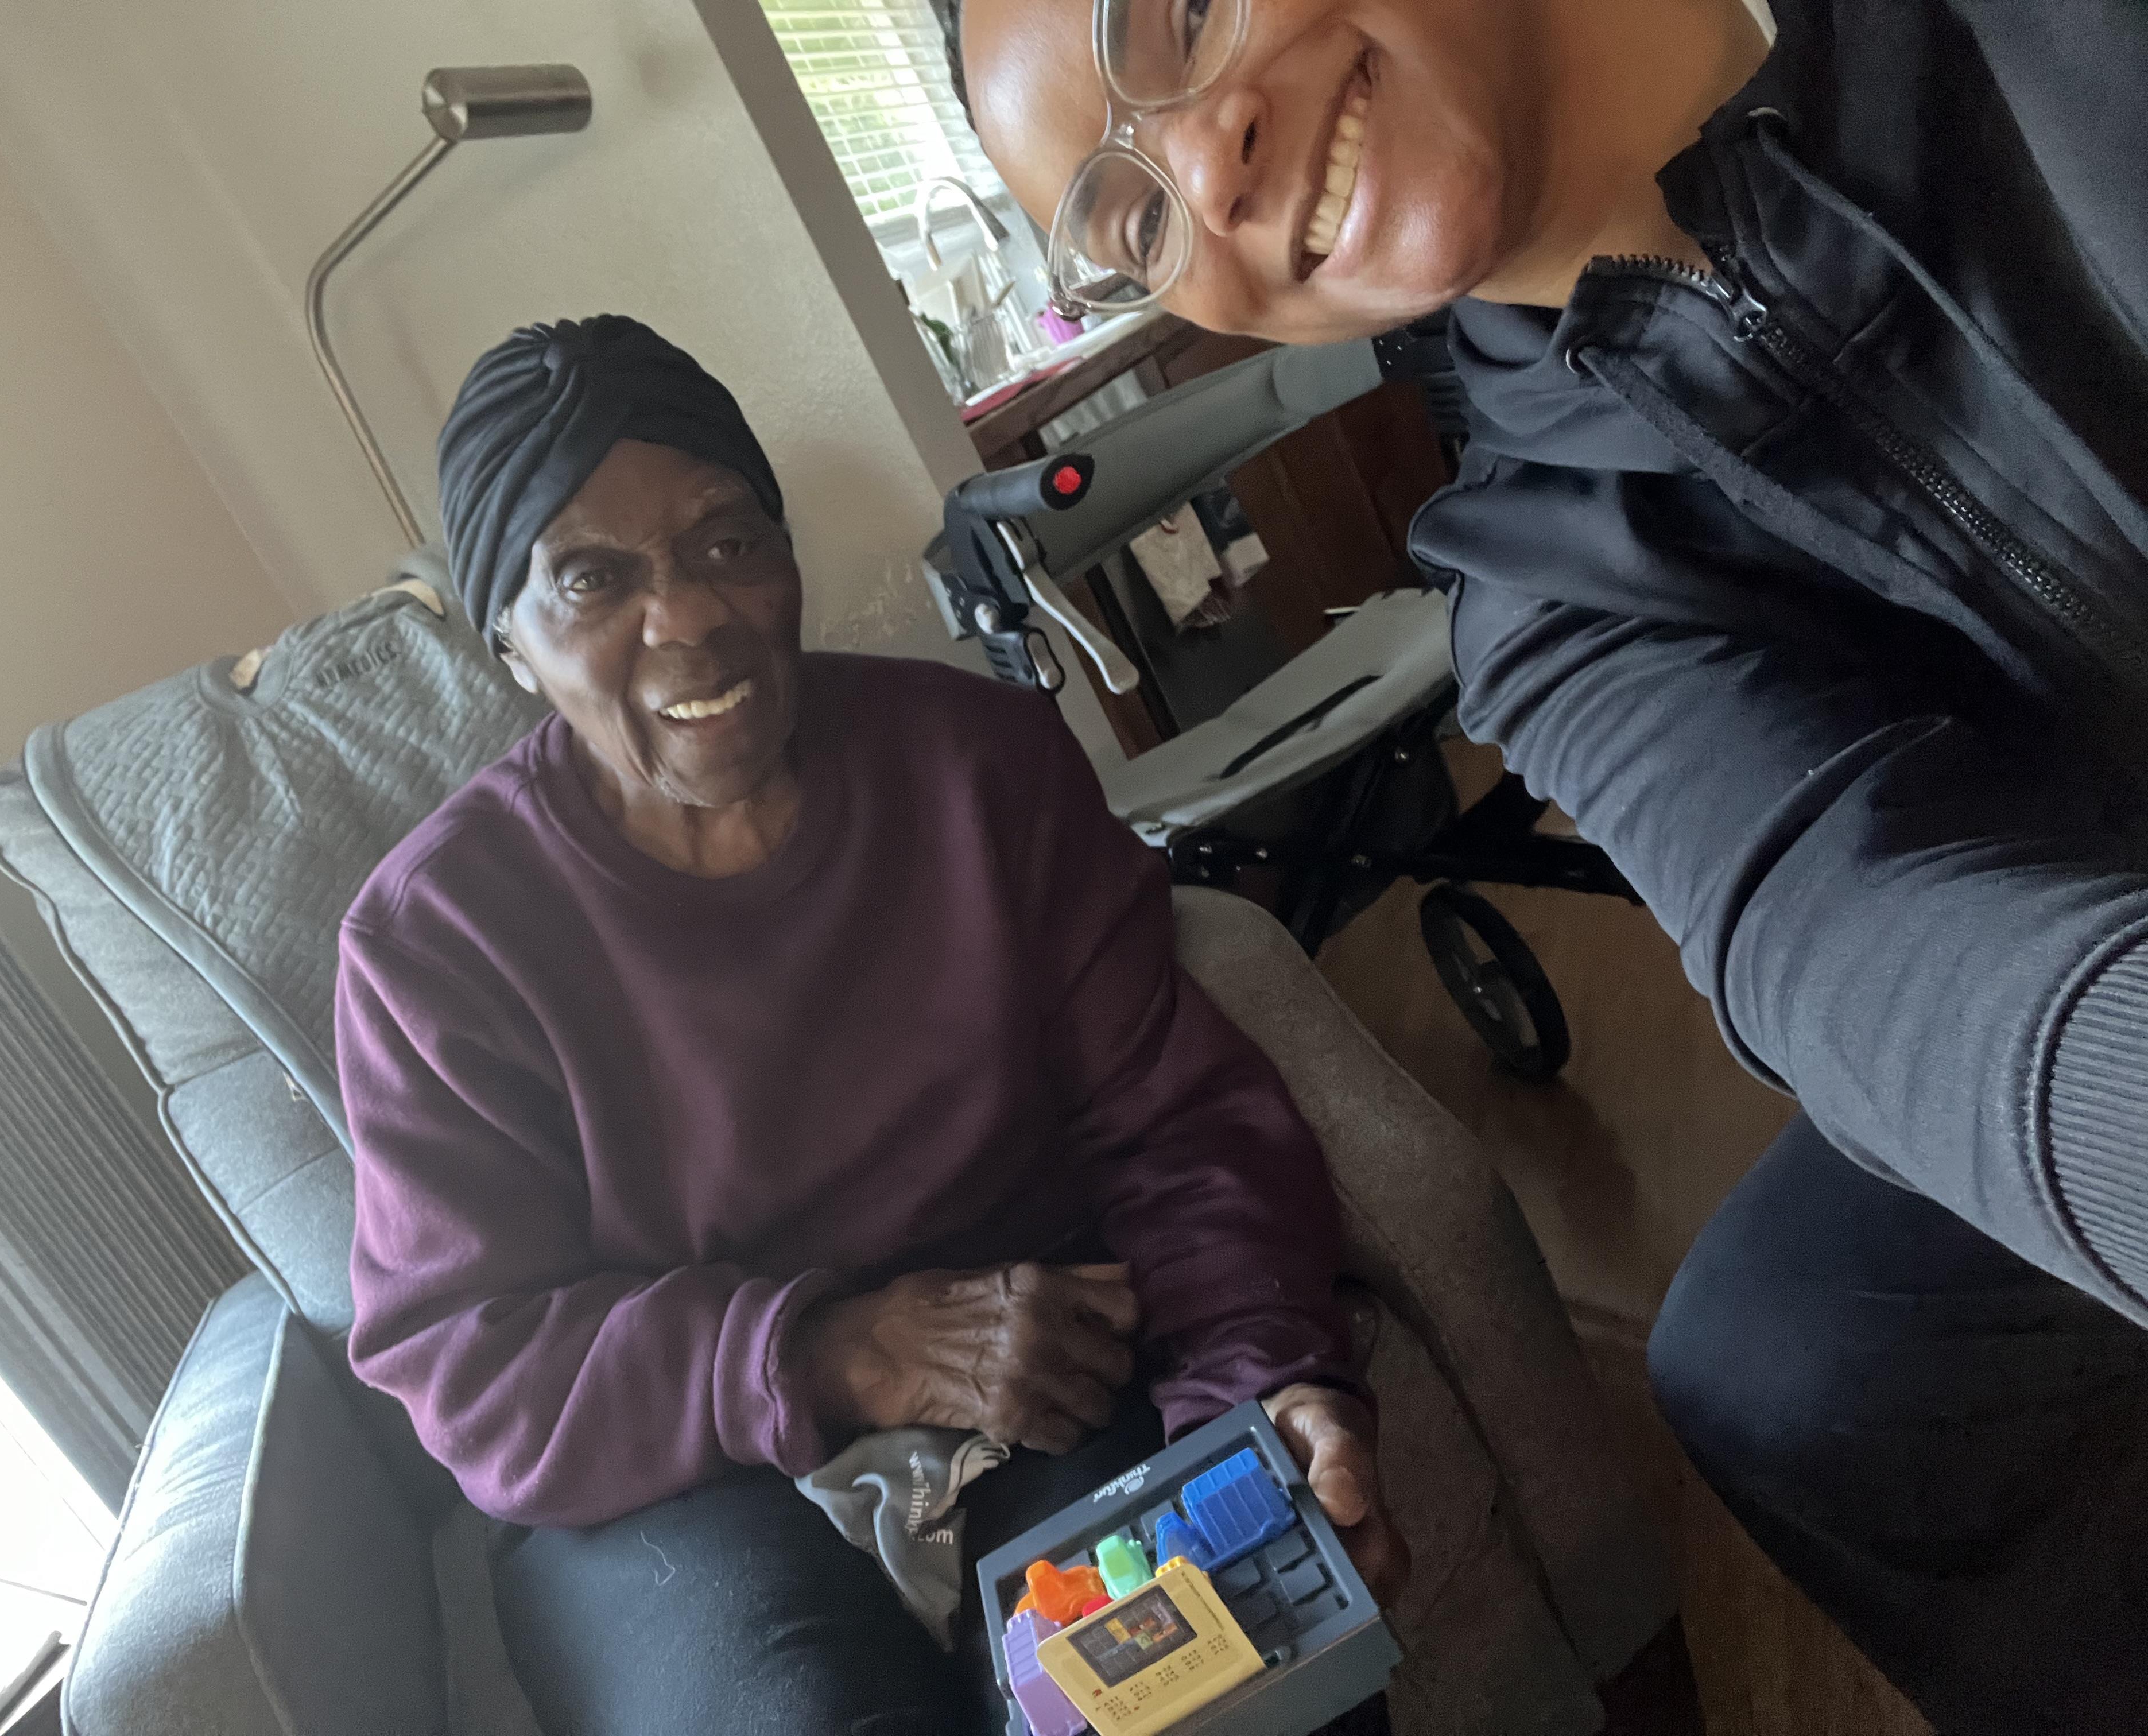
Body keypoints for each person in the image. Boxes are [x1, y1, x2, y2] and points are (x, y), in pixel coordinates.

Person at [957, 0, 2148, 1727]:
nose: (1205, 170)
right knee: (1787, 1360)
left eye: (1178, 11)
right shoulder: (1541, 596)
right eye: (1133, 216)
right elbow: (1841, 936)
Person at [335, 314, 1406, 1736]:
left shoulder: (980, 772)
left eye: (728, 541)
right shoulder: (435, 945)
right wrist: (833, 1349)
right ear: (512, 647)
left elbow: (1181, 1126)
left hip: (1042, 1359)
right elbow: (473, 1365)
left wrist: (1261, 1389)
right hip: (677, 1486)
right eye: (593, 579)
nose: (689, 617)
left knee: (1228, 1673)